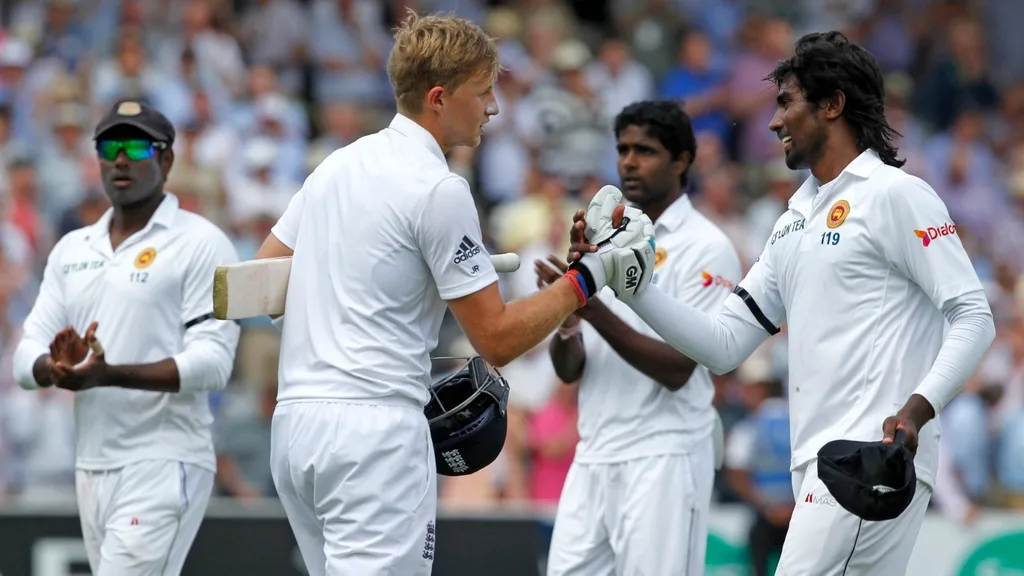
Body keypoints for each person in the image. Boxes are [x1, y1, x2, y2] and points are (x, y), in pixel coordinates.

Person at [570, 32, 997, 575]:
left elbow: (974, 316)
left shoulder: (895, 194)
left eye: (786, 102)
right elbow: (724, 345)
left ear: (832, 105)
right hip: (821, 467)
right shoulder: (794, 219)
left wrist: (916, 409)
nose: (773, 123)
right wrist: (634, 288)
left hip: (869, 458)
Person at [250, 11, 653, 575]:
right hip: (375, 435)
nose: (493, 107)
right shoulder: (440, 188)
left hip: (295, 430)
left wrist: (388, 278)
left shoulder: (336, 166)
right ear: (439, 97)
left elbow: (262, 281)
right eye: (483, 92)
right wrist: (589, 279)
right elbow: (498, 338)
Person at [12, 100, 241, 575]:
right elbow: (24, 355)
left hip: (163, 459)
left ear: (167, 160)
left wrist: (107, 374)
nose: (120, 158)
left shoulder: (201, 242)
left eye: (136, 145)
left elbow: (214, 364)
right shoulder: (72, 249)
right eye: (109, 145)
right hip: (91, 464)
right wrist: (55, 369)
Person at [535, 100, 741, 576]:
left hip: (666, 456)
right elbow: (569, 370)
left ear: (682, 160)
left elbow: (678, 368)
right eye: (623, 149)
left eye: (644, 150)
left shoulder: (707, 246)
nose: (628, 161)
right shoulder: (603, 239)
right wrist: (567, 314)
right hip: (593, 452)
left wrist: (591, 304)